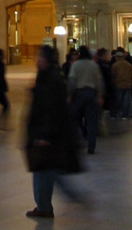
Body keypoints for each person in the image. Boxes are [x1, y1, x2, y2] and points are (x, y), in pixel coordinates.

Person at [25, 45, 84, 220]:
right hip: (45, 133)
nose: (38, 60)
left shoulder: (51, 78)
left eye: (40, 57)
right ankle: (45, 205)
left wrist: (44, 135)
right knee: (46, 170)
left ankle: (61, 201)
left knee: (46, 171)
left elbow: (51, 108)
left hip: (47, 135)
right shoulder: (49, 76)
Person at [68, 45, 102, 154]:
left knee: (75, 118)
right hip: (91, 93)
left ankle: (79, 139)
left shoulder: (75, 65)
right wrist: (99, 95)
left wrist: (69, 95)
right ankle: (91, 145)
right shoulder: (94, 65)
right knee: (92, 121)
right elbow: (99, 82)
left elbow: (72, 81)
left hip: (78, 94)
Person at [110, 50, 132, 120]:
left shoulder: (115, 65)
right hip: (127, 84)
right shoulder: (129, 65)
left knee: (117, 100)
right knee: (126, 101)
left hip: (118, 84)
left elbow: (113, 75)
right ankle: (125, 115)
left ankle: (116, 114)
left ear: (118, 57)